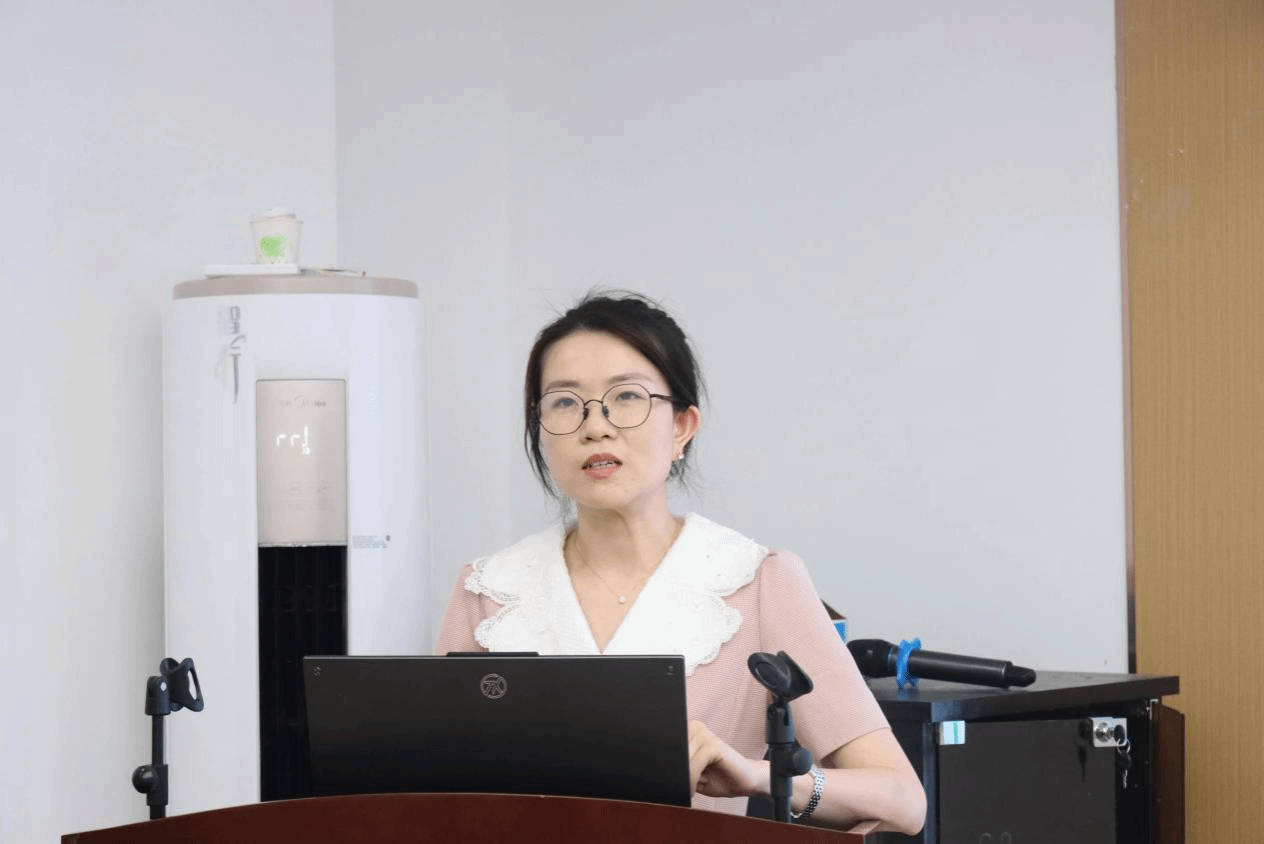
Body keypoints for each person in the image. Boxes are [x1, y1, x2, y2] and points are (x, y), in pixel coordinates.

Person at [434, 291, 926, 834]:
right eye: (565, 403)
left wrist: (759, 777)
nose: (595, 426)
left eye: (626, 397)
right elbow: (431, 795)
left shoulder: (759, 580)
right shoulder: (489, 589)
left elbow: (904, 800)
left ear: (682, 427)